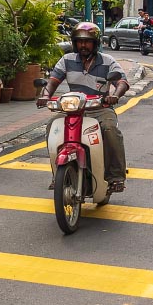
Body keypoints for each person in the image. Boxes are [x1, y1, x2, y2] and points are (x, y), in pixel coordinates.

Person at [36, 21, 130, 193]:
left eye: (87, 42)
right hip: (72, 109)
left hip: (100, 109)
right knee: (52, 127)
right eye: (79, 41)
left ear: (95, 43)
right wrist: (45, 95)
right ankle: (57, 174)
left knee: (110, 130)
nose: (83, 45)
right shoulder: (67, 60)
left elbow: (122, 82)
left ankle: (116, 177)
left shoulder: (108, 61)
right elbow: (53, 81)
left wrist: (115, 95)